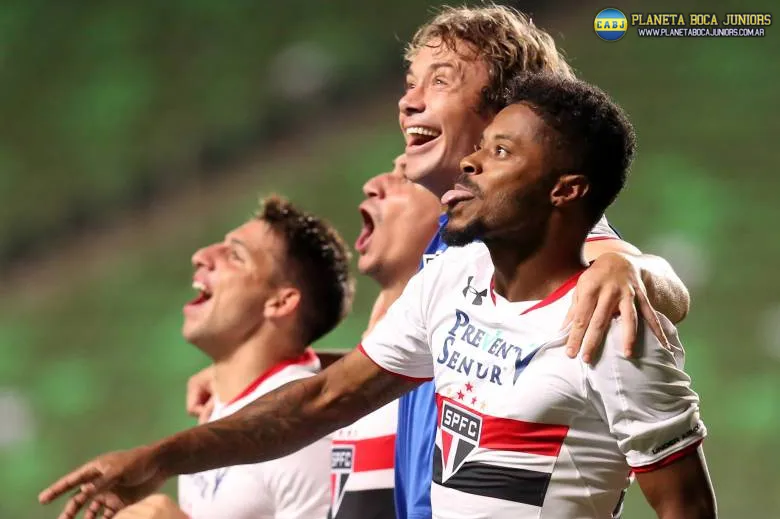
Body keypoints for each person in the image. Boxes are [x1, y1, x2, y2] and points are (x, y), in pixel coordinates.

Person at [38, 74, 715, 519]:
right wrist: (160, 456)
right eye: (477, 147)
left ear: (566, 190)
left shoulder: (616, 327)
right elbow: (322, 398)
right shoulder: (452, 284)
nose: (472, 161)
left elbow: (685, 507)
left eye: (501, 152)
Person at [184, 7, 692, 518]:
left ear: (503, 108)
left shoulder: (530, 234)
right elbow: (407, 354)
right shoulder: (456, 246)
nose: (408, 102)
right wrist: (281, 368)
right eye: (411, 83)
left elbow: (640, 275)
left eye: (439, 81)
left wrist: (633, 268)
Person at [106, 195, 354, 519]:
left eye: (235, 256)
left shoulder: (306, 434)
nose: (201, 256)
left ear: (280, 302)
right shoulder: (219, 407)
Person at [329, 156, 441, 519]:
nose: (372, 184)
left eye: (406, 178)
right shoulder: (373, 361)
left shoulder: (451, 355)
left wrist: (615, 257)